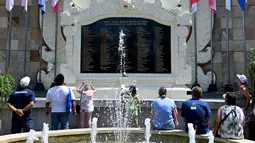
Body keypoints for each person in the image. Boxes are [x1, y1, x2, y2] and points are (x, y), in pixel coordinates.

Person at [235, 74, 251, 138]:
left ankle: (246, 138)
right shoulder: (242, 87)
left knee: (245, 125)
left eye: (238, 80)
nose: (237, 81)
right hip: (241, 108)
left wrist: (246, 107)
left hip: (243, 109)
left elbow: (248, 96)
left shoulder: (242, 88)